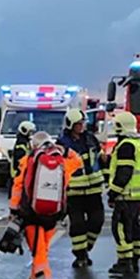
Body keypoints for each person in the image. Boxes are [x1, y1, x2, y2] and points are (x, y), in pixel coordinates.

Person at [0, 131, 82, 279]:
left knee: (39, 254)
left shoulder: (28, 161)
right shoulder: (62, 162)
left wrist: (13, 210)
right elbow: (79, 161)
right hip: (52, 215)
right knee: (42, 249)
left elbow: (18, 186)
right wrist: (65, 150)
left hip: (32, 216)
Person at [58, 108, 105, 268]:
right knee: (77, 225)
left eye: (82, 123)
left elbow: (99, 158)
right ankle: (80, 255)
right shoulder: (62, 144)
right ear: (71, 125)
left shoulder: (91, 139)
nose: (81, 126)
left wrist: (106, 177)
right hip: (74, 192)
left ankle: (87, 247)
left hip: (94, 190)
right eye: (78, 124)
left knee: (97, 221)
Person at [107, 111, 140, 277]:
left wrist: (112, 193)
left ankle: (125, 261)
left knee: (120, 228)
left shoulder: (126, 145)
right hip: (137, 195)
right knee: (134, 226)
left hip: (126, 194)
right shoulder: (139, 143)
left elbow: (124, 172)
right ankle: (135, 258)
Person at [9, 119, 34, 195]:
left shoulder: (24, 142)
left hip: (19, 174)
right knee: (17, 196)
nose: (31, 134)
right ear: (25, 131)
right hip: (18, 175)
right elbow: (21, 161)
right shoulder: (21, 144)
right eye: (30, 132)